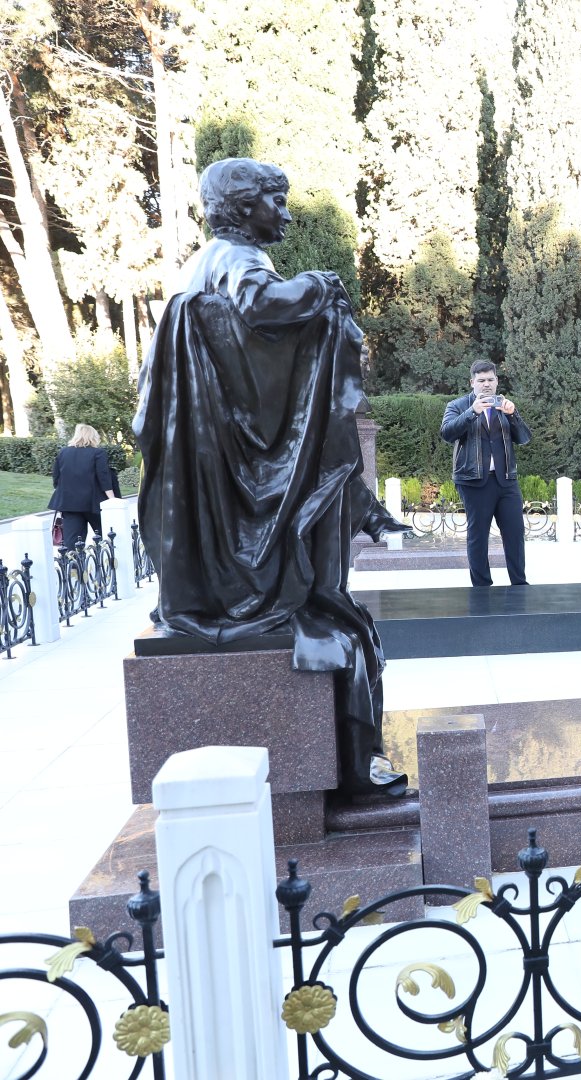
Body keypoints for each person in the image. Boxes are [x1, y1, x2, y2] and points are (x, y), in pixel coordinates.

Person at [134, 157, 405, 796]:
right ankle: (348, 762)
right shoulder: (237, 257)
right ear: (242, 207)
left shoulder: (206, 260)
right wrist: (320, 287)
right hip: (234, 481)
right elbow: (260, 307)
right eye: (274, 201)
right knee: (339, 622)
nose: (284, 213)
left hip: (217, 474)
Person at [440, 361, 532, 587]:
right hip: (473, 481)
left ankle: (519, 585)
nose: (486, 384)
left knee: (515, 533)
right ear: (472, 382)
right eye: (481, 380)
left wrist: (513, 415)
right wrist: (472, 412)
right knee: (478, 536)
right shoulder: (458, 405)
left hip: (506, 481)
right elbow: (447, 433)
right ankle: (482, 588)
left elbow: (524, 438)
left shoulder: (504, 406)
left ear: (497, 381)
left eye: (490, 379)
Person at [48, 424, 119, 550]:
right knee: (107, 536)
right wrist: (112, 500)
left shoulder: (64, 452)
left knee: (72, 542)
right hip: (94, 503)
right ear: (93, 437)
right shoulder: (98, 453)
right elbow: (104, 478)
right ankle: (106, 559)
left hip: (70, 504)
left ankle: (74, 562)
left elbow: (56, 477)